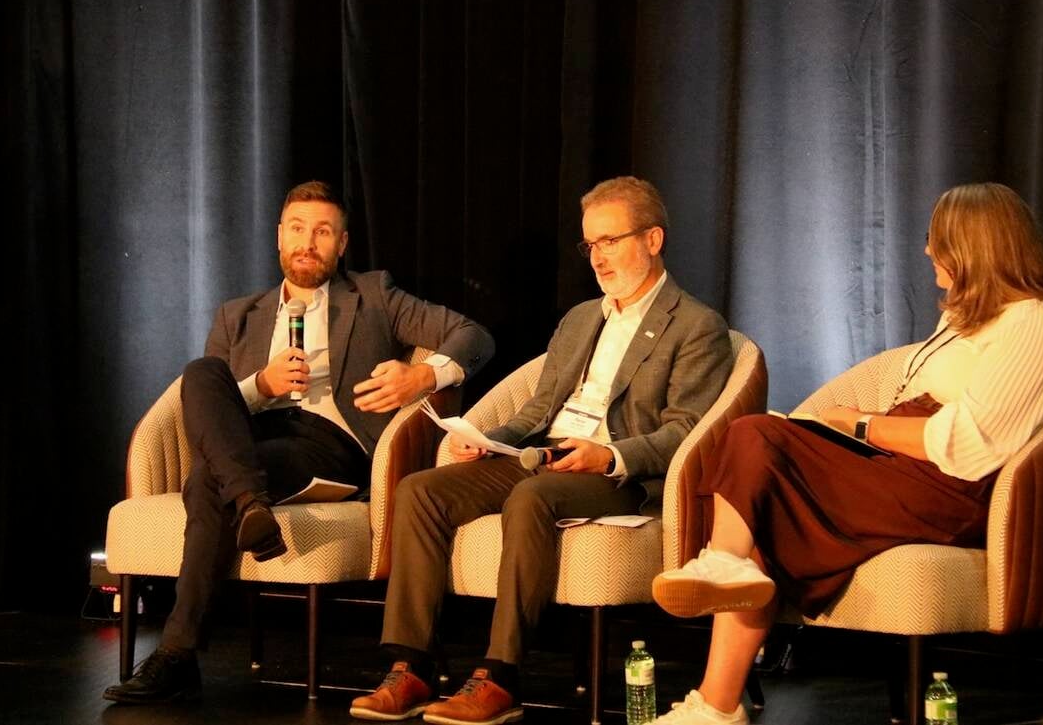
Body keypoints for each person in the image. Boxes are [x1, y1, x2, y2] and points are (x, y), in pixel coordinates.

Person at [648, 182, 1043, 725]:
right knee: (754, 475)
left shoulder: (1033, 323)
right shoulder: (963, 320)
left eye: (937, 239)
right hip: (897, 470)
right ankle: (717, 696)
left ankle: (724, 578)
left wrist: (859, 425)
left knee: (755, 437)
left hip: (947, 488)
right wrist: (843, 435)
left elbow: (970, 445)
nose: (927, 250)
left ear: (975, 246)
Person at [350, 176, 734, 725]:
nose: (598, 258)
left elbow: (687, 430)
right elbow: (537, 411)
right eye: (591, 245)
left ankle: (502, 675)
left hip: (615, 470)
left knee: (531, 496)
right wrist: (488, 440)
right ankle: (411, 666)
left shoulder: (697, 326)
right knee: (421, 491)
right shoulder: (579, 319)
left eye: (611, 241)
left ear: (653, 240)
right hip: (545, 456)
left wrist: (611, 456)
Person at [103, 181, 495, 704]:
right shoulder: (237, 315)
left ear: (342, 243)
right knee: (202, 375)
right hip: (251, 440)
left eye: (323, 231)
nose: (308, 242)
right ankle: (249, 503)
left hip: (332, 444)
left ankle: (177, 654)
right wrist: (260, 387)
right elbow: (209, 408)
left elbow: (475, 335)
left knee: (205, 480)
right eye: (297, 229)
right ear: (279, 238)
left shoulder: (375, 296)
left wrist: (423, 376)